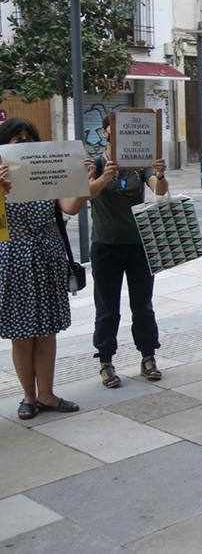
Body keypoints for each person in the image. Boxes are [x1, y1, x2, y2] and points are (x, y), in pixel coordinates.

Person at [0, 119, 88, 420]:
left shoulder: (46, 170)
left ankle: (47, 395)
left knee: (47, 332)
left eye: (28, 137)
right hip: (14, 260)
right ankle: (28, 396)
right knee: (21, 335)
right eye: (15, 138)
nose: (22, 142)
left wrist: (84, 182)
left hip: (48, 258)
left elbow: (70, 207)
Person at [87, 116, 169, 389]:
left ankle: (148, 357)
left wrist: (159, 174)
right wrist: (105, 175)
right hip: (106, 245)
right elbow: (86, 194)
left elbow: (159, 190)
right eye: (115, 127)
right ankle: (106, 362)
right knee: (107, 308)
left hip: (139, 244)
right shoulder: (96, 163)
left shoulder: (140, 161)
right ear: (106, 131)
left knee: (143, 305)